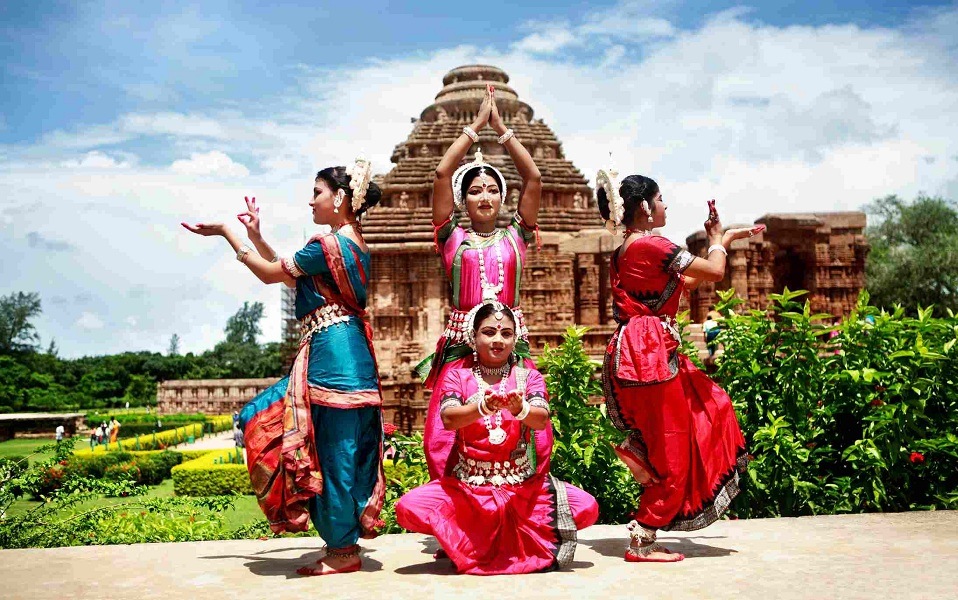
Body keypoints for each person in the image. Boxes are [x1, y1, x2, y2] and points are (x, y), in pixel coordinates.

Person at [183, 157, 385, 576]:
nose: (310, 201)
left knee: (327, 452)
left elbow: (270, 275)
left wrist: (228, 233)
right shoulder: (351, 244)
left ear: (340, 198)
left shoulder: (327, 245)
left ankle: (342, 551)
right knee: (331, 448)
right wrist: (257, 236)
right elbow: (293, 277)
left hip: (332, 359)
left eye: (317, 192)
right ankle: (343, 541)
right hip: (347, 357)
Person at [595, 168, 764, 562]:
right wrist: (719, 241)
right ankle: (644, 535)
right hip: (649, 356)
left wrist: (719, 240)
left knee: (713, 406)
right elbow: (717, 273)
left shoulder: (626, 251)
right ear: (643, 207)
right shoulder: (653, 245)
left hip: (643, 353)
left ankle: (640, 455)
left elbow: (685, 283)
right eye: (659, 199)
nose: (665, 204)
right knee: (673, 445)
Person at [397, 302, 598, 574]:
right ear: (474, 337)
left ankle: (475, 540)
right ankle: (482, 537)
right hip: (469, 488)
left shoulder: (529, 378)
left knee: (586, 506)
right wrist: (483, 407)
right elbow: (448, 418)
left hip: (521, 490)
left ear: (515, 339)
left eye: (506, 334)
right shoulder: (458, 376)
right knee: (408, 508)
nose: (497, 340)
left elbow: (540, 419)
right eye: (489, 332)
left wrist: (520, 409)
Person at [421, 84, 543, 480]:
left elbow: (534, 177)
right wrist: (474, 128)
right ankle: (456, 519)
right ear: (463, 200)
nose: (485, 196)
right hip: (461, 346)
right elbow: (441, 172)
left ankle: (517, 510)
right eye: (475, 190)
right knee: (446, 435)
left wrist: (502, 129)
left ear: (503, 198)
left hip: (508, 342)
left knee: (523, 427)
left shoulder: (516, 237)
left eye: (492, 189)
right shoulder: (452, 238)